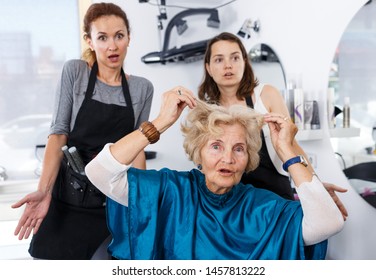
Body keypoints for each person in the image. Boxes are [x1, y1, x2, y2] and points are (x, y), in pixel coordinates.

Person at [85, 87, 344, 260]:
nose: (228, 158)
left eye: (239, 149)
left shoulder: (261, 207)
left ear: (250, 159)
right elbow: (99, 172)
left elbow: (327, 223)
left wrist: (287, 150)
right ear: (198, 151)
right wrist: (161, 122)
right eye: (216, 146)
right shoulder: (171, 191)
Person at [11, 2, 154, 260]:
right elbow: (58, 134)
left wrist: (140, 204)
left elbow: (136, 149)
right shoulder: (75, 72)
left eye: (119, 36)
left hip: (111, 208)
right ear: (89, 41)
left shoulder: (142, 89)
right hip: (66, 204)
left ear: (129, 39)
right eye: (102, 37)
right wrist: (44, 192)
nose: (112, 46)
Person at [198, 32, 348, 217]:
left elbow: (291, 145)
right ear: (209, 68)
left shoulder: (266, 95)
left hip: (274, 194)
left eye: (235, 57)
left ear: (244, 62)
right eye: (219, 59)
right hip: (228, 201)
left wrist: (314, 186)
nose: (228, 65)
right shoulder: (205, 111)